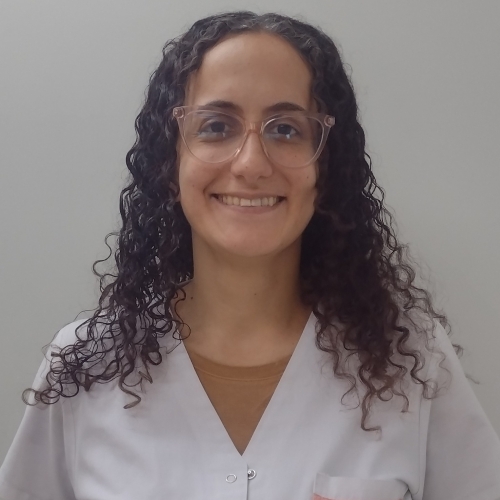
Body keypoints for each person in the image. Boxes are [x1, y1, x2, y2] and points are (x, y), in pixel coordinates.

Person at [0, 11, 499, 500]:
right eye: (217, 126)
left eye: (286, 129)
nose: (252, 164)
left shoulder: (411, 361)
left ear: (326, 166)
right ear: (170, 162)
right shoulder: (87, 364)